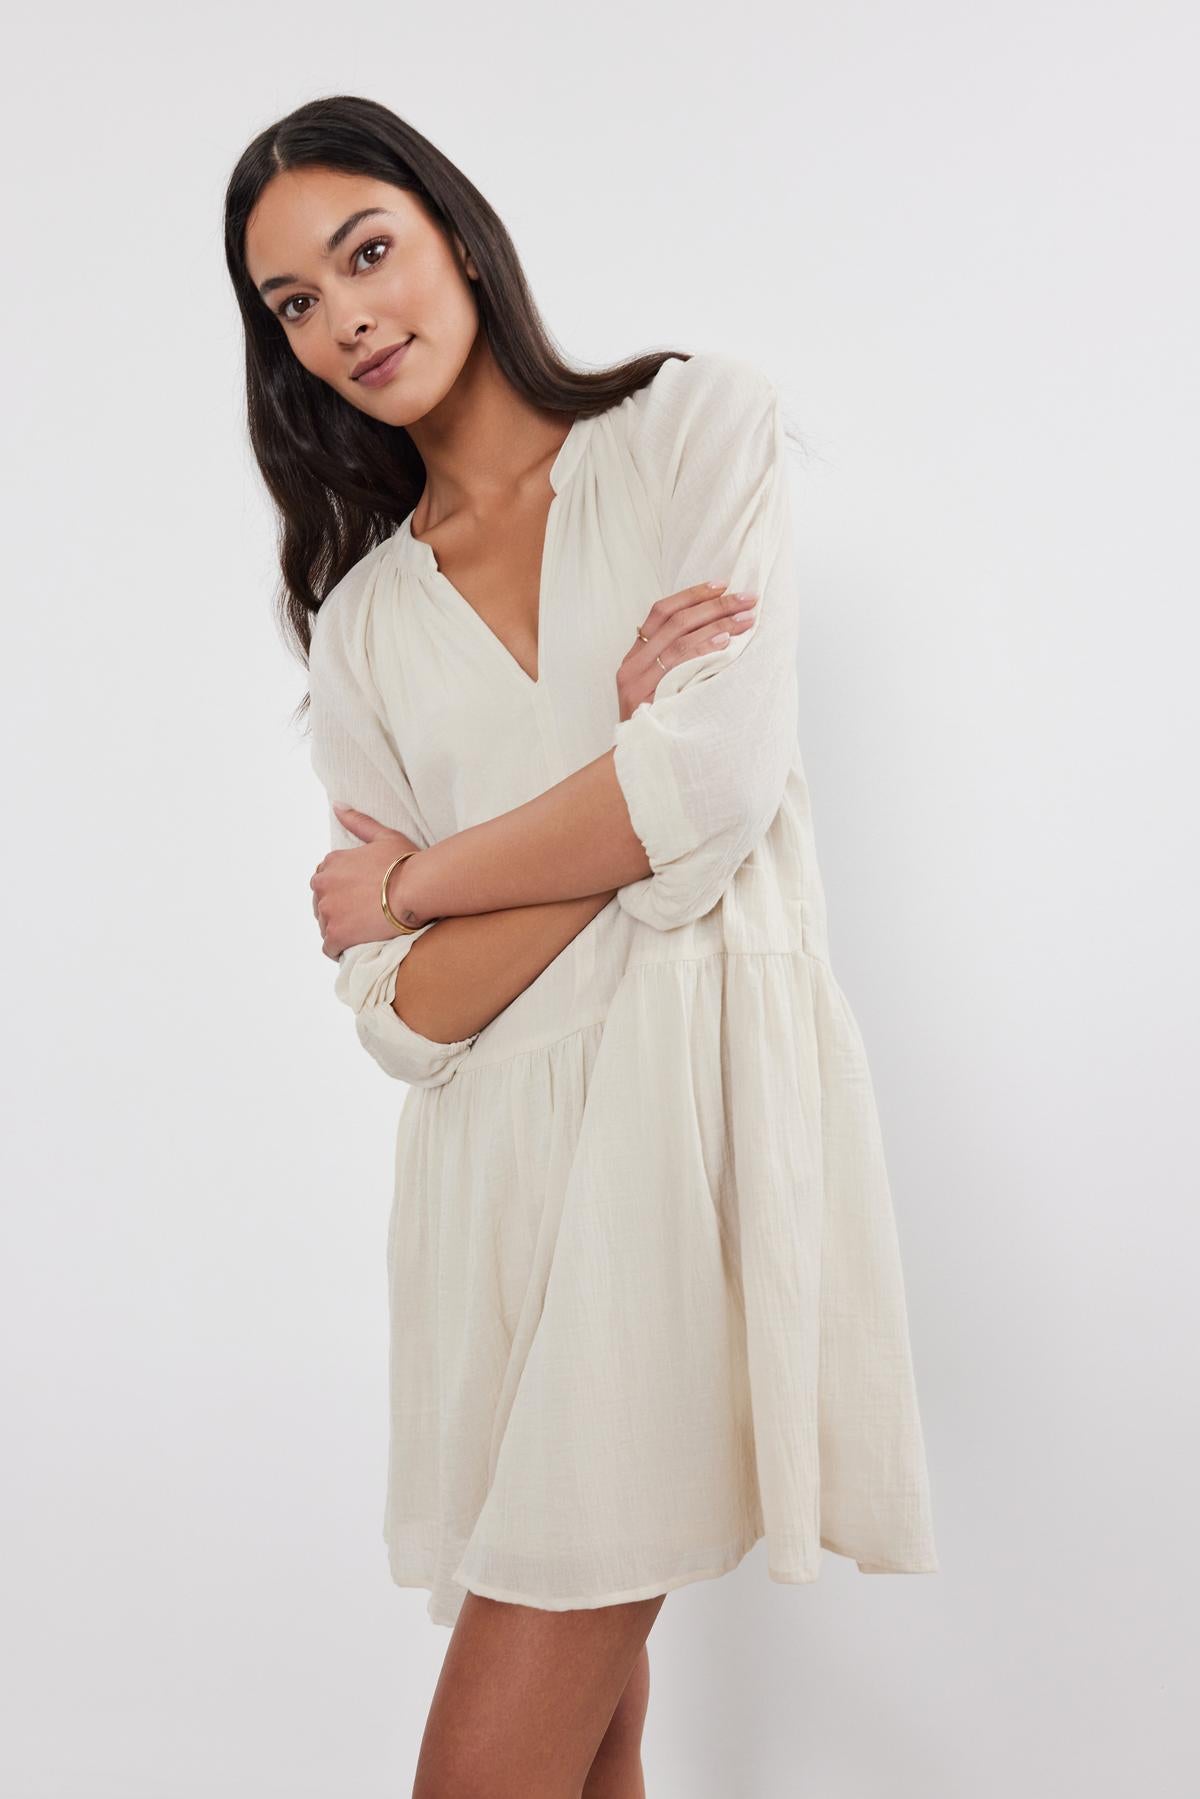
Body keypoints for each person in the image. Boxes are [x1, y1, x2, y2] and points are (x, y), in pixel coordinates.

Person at [229, 93, 939, 1799]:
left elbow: (713, 781)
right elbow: (409, 1025)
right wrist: (583, 809)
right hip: (493, 1189)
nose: (345, 321)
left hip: (684, 1134)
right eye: (295, 306)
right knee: (586, 1751)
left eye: (366, 253)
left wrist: (422, 884)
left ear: (458, 235)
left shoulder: (694, 428)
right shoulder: (366, 620)